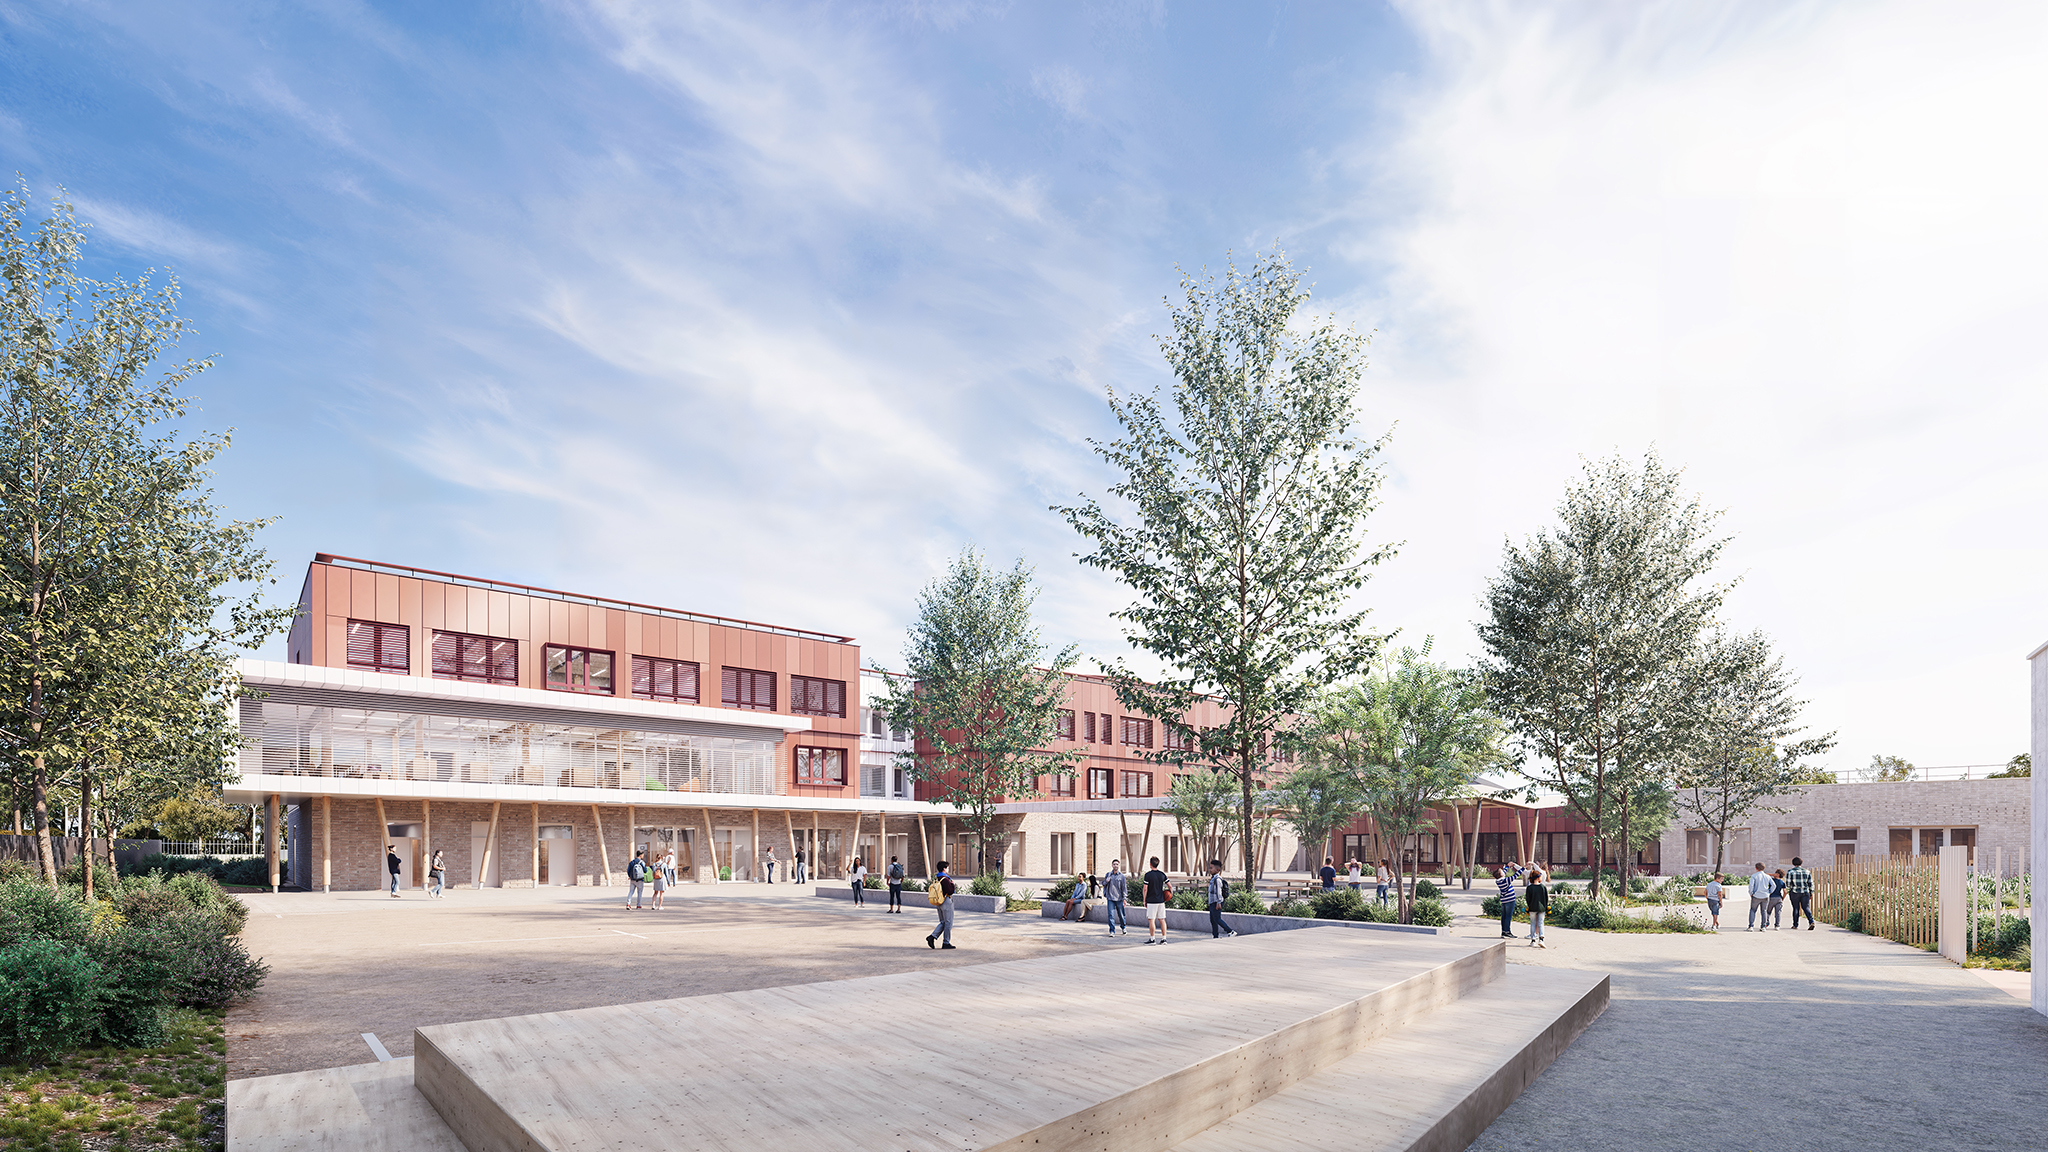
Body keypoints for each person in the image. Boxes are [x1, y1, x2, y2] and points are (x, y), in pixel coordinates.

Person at [925, 861, 957, 949]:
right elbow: (950, 891)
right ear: (944, 869)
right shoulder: (945, 879)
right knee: (948, 922)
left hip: (939, 901)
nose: (948, 869)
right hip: (946, 901)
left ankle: (932, 937)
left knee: (943, 922)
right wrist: (952, 884)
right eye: (947, 867)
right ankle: (946, 942)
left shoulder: (937, 878)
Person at [1142, 856, 1172, 944]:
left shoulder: (1148, 875)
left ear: (1150, 864)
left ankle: (1152, 939)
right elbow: (1170, 886)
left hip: (1151, 900)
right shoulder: (1162, 874)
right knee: (1162, 919)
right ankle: (1164, 939)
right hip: (1161, 900)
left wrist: (1144, 900)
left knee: (1151, 920)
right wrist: (1170, 894)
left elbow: (1145, 888)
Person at [1206, 860, 1237, 938]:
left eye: (1211, 868)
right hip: (1212, 902)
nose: (1210, 870)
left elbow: (1218, 892)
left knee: (1217, 919)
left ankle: (1230, 931)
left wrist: (1218, 902)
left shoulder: (1217, 879)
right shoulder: (1213, 878)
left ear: (1217, 870)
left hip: (1216, 902)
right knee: (1213, 920)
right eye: (1210, 868)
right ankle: (1215, 936)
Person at [1493, 864, 1523, 938]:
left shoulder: (1498, 881)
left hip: (1504, 900)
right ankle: (1507, 932)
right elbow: (1516, 875)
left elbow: (1504, 873)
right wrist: (1524, 868)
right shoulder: (1506, 880)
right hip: (1510, 900)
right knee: (1508, 917)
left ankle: (1503, 931)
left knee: (1504, 916)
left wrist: (1507, 866)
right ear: (1501, 875)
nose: (1504, 871)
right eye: (1502, 871)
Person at [1786, 857, 1815, 930]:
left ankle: (1795, 925)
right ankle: (1811, 921)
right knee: (1806, 907)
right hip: (1805, 892)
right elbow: (1810, 883)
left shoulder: (1790, 872)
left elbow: (1788, 884)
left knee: (1796, 908)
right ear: (1801, 863)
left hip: (1795, 892)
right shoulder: (1807, 871)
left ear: (1793, 863)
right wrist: (1811, 892)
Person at [1103, 860, 1128, 937]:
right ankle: (1112, 931)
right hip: (1110, 898)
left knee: (1121, 915)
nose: (1115, 865)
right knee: (1111, 915)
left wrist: (1124, 898)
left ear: (1119, 865)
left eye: (1117, 864)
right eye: (1114, 864)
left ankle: (1123, 927)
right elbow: (1103, 884)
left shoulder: (1121, 876)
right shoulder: (1108, 874)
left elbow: (1124, 888)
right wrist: (1106, 881)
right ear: (1112, 865)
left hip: (1119, 899)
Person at [1524, 868, 1549, 947]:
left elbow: (1528, 899)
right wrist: (1545, 906)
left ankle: (1533, 940)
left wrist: (1530, 906)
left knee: (1533, 923)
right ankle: (1541, 939)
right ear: (1538, 878)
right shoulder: (1542, 887)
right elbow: (1546, 898)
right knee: (1541, 923)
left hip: (1532, 907)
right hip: (1541, 908)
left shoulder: (1529, 888)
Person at [1747, 863, 1773, 931]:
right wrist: (1769, 892)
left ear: (1756, 868)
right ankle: (1763, 927)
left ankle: (1751, 926)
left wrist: (1751, 893)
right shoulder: (1767, 876)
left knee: (1753, 910)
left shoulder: (1754, 876)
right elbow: (1774, 885)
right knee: (1764, 911)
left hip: (1756, 895)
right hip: (1765, 896)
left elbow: (1751, 886)